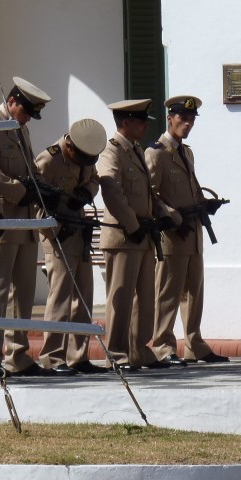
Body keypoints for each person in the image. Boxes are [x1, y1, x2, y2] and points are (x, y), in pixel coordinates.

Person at [0, 77, 59, 377]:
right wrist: (20, 190)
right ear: (12, 102)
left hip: (25, 223)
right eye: (24, 111)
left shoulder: (19, 128)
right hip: (1, 220)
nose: (26, 119)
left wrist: (41, 188)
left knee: (22, 295)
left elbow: (29, 170)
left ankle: (18, 354)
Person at [146, 96, 229, 365]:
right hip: (172, 235)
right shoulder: (156, 153)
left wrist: (205, 203)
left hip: (194, 231)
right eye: (183, 117)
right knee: (169, 293)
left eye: (192, 119)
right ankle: (162, 345)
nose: (188, 123)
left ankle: (194, 343)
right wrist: (170, 215)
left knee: (194, 292)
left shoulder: (186, 152)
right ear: (170, 117)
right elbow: (151, 195)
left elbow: (190, 188)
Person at [98, 99, 177, 372]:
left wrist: (162, 213)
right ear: (126, 122)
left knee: (144, 297)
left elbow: (147, 193)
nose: (145, 126)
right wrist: (132, 225)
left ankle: (139, 349)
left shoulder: (136, 150)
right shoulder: (112, 150)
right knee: (120, 298)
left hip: (142, 234)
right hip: (124, 235)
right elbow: (111, 191)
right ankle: (117, 353)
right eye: (141, 121)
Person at [35, 118, 109, 375]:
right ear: (70, 145)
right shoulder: (48, 160)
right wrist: (56, 230)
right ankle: (52, 357)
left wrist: (85, 195)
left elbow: (95, 179)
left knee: (83, 298)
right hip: (58, 235)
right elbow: (36, 205)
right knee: (60, 298)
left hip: (79, 230)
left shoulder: (85, 155)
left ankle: (78, 356)